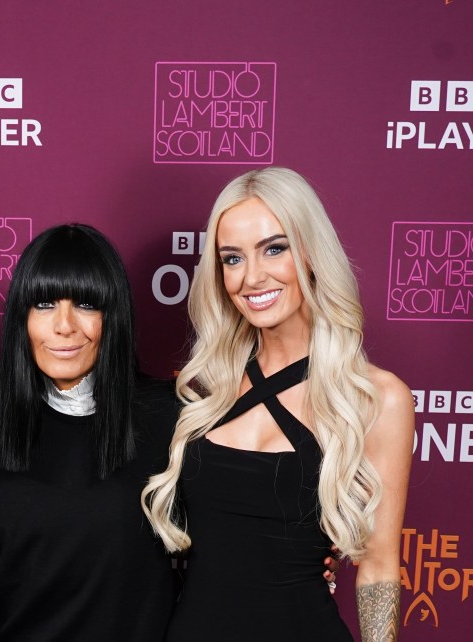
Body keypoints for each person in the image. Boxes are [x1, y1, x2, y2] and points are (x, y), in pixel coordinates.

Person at [142, 167, 414, 641]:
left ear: (309, 251)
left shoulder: (374, 397)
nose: (251, 277)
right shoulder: (201, 390)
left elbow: (378, 570)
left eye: (274, 248)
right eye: (232, 259)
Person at [0, 224, 178, 641]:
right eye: (44, 304)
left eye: (85, 303)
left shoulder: (169, 416)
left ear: (112, 315)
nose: (64, 326)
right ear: (21, 319)